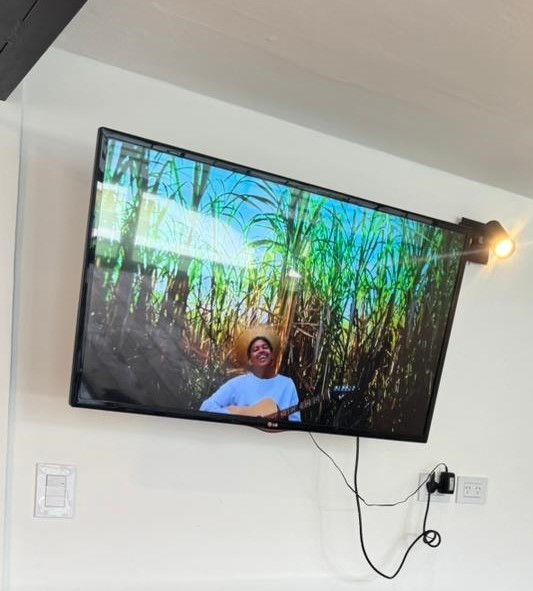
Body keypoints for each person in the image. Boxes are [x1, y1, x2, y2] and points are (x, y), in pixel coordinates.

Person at [200, 326, 301, 422]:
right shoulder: (237, 384)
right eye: (255, 349)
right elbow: (206, 407)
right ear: (250, 360)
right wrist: (238, 416)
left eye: (265, 347)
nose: (261, 351)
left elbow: (295, 423)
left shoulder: (287, 384)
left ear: (272, 354)